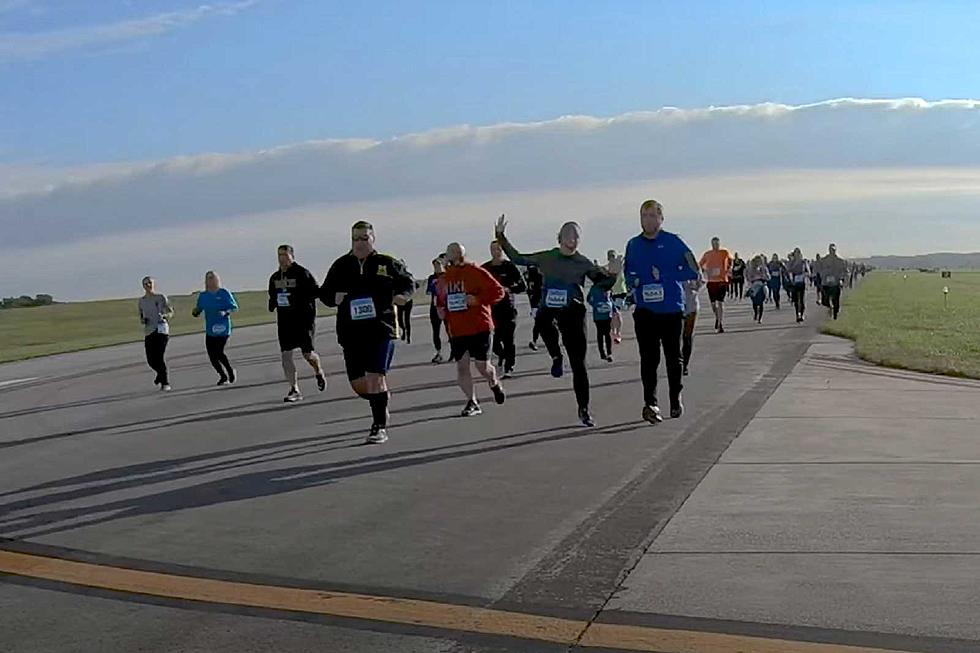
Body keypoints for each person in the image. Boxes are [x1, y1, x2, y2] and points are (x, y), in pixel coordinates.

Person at [495, 214, 620, 427]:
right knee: (542, 319)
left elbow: (602, 283)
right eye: (568, 234)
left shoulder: (583, 262)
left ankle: (584, 409)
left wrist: (614, 274)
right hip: (550, 309)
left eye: (577, 235)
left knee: (579, 364)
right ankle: (555, 356)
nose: (572, 238)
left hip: (573, 312)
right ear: (559, 237)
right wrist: (500, 236)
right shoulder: (547, 257)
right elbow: (518, 258)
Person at [320, 221, 416, 444]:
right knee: (360, 385)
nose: (360, 243)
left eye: (364, 238)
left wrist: (403, 296)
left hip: (381, 329)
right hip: (351, 332)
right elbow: (324, 292)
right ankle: (379, 402)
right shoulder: (341, 265)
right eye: (356, 239)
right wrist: (333, 298)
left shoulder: (386, 263)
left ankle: (378, 426)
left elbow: (409, 283)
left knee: (375, 377)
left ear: (373, 239)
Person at [625, 199, 700, 424]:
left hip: (671, 309)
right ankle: (651, 403)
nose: (647, 220)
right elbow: (628, 272)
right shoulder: (633, 244)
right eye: (643, 216)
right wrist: (635, 281)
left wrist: (668, 276)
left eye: (651, 216)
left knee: (672, 357)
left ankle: (675, 398)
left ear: (660, 218)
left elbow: (692, 268)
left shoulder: (673, 242)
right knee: (648, 358)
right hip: (646, 310)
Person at [438, 243, 508, 416]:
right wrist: (441, 310)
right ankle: (472, 401)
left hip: (480, 326)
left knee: (482, 366)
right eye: (451, 254)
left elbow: (499, 292)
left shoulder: (476, 272)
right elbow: (441, 300)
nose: (454, 257)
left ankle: (494, 382)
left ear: (463, 254)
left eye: (458, 254)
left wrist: (478, 299)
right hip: (457, 329)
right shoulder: (444, 279)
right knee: (462, 366)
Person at [268, 245, 327, 403]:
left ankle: (318, 370)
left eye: (285, 255)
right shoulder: (275, 277)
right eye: (280, 255)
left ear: (292, 256)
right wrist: (273, 303)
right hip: (285, 321)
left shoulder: (302, 273)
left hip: (303, 320)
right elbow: (272, 296)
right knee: (286, 355)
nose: (282, 258)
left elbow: (316, 291)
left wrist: (299, 298)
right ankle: (294, 389)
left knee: (308, 354)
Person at [483, 240, 527, 378]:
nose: (495, 252)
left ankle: (509, 366)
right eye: (492, 249)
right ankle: (501, 356)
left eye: (498, 249)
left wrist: (508, 289)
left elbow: (522, 286)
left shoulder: (509, 267)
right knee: (493, 340)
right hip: (491, 310)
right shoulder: (485, 268)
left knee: (509, 340)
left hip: (508, 308)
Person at [192, 271, 239, 385]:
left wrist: (225, 312)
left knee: (219, 352)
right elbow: (199, 308)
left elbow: (234, 307)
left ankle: (230, 370)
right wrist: (196, 312)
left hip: (223, 327)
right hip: (210, 329)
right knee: (212, 355)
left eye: (213, 278)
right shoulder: (203, 296)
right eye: (208, 278)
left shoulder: (223, 293)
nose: (211, 280)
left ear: (217, 280)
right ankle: (223, 376)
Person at [139, 276, 174, 391]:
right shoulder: (142, 301)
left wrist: (164, 316)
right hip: (149, 331)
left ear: (153, 284)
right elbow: (141, 316)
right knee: (151, 360)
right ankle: (160, 374)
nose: (148, 285)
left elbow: (170, 312)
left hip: (161, 330)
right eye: (145, 284)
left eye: (150, 283)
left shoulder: (160, 297)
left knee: (159, 356)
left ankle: (165, 383)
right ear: (143, 286)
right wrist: (143, 320)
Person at [699, 237, 733, 333]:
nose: (715, 246)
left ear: (719, 244)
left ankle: (720, 325)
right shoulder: (707, 254)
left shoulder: (724, 252)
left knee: (720, 303)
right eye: (714, 244)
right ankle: (718, 318)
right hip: (711, 281)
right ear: (711, 244)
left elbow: (731, 261)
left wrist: (729, 269)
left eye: (717, 244)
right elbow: (700, 264)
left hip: (722, 281)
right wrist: (703, 272)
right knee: (713, 304)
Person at [426, 257, 448, 363]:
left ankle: (455, 351)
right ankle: (438, 352)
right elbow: (429, 291)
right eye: (435, 266)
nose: (437, 268)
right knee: (436, 331)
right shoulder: (432, 278)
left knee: (450, 329)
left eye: (439, 265)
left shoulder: (448, 276)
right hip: (435, 306)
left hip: (447, 306)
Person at [587, 282, 615, 362]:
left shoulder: (596, 287)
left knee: (603, 333)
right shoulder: (603, 287)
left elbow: (589, 299)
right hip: (603, 314)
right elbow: (589, 299)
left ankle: (605, 353)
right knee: (604, 333)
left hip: (602, 314)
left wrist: (595, 304)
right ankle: (606, 353)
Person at [819, 243, 848, 320]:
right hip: (826, 283)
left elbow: (845, 271)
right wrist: (822, 275)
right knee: (824, 300)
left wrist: (842, 279)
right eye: (831, 250)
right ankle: (830, 307)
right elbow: (819, 269)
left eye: (833, 250)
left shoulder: (840, 261)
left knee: (836, 301)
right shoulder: (824, 260)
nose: (832, 252)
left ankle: (835, 316)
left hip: (836, 283)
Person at [681, 277, 702, 376]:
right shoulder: (668, 264)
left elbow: (700, 282)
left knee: (687, 336)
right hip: (674, 306)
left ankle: (685, 364)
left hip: (691, 306)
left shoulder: (692, 266)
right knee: (675, 337)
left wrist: (693, 286)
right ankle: (678, 362)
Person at [608, 249, 629, 345]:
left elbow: (622, 260)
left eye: (613, 256)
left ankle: (618, 333)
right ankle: (614, 332)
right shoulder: (608, 268)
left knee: (617, 312)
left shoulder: (619, 266)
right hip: (612, 293)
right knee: (612, 315)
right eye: (610, 256)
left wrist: (621, 258)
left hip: (621, 292)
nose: (611, 258)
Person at [786, 248, 810, 323]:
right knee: (796, 300)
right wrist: (791, 279)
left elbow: (808, 271)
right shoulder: (791, 262)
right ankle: (797, 314)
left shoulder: (803, 262)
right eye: (796, 253)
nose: (797, 254)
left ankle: (802, 314)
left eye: (798, 253)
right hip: (795, 282)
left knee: (802, 299)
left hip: (802, 282)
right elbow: (788, 271)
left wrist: (805, 275)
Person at [746, 255, 771, 324]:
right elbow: (748, 277)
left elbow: (769, 277)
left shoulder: (764, 268)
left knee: (761, 302)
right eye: (756, 261)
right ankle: (756, 312)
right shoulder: (751, 269)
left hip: (762, 284)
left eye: (759, 261)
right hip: (754, 285)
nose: (758, 262)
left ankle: (760, 318)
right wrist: (753, 279)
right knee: (754, 302)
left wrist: (764, 276)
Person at [525, 264, 544, 350]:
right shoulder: (539, 277)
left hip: (533, 304)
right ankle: (534, 341)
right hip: (540, 302)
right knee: (540, 324)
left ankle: (534, 341)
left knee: (538, 323)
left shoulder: (527, 277)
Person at [395, 277, 417, 344]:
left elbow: (415, 286)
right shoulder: (396, 278)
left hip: (408, 301)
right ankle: (404, 331)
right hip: (399, 300)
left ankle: (408, 336)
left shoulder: (408, 277)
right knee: (399, 319)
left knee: (407, 319)